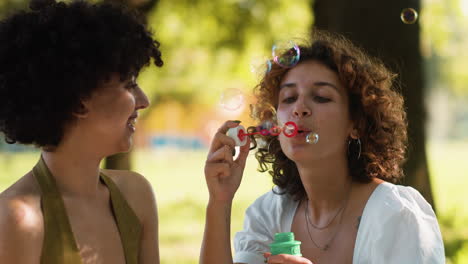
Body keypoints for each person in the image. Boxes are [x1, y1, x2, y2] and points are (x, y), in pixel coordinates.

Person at [201, 30, 445, 264]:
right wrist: (219, 200)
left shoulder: (395, 215)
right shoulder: (270, 213)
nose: (299, 108)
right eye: (288, 98)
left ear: (356, 124)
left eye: (321, 97)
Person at [0, 0, 163, 263]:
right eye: (130, 84)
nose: (143, 100)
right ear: (79, 101)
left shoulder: (136, 194)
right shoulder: (17, 218)